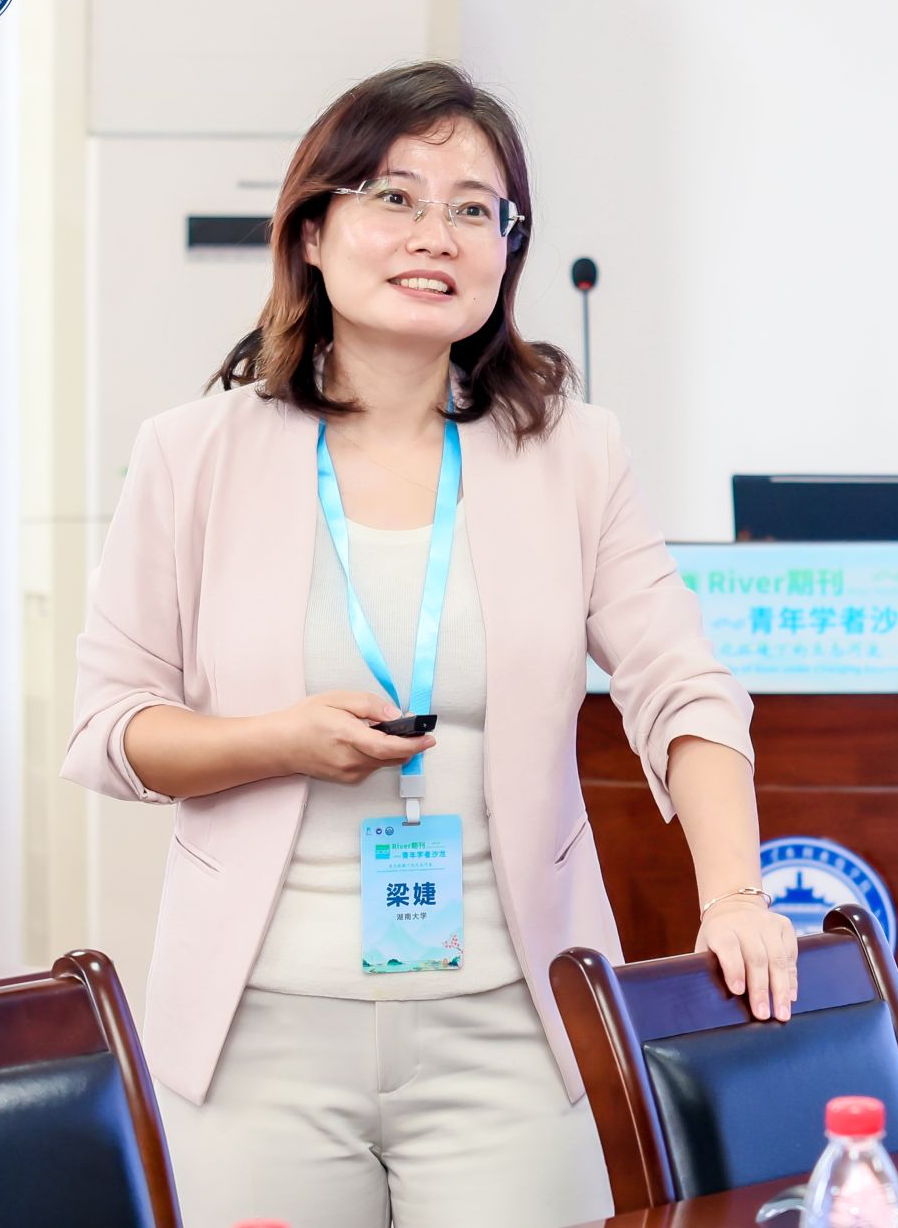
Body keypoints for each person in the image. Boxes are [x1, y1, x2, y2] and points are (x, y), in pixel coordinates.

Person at [60, 60, 793, 1228]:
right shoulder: (192, 453)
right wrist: (277, 740)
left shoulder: (572, 453)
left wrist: (737, 893)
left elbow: (683, 685)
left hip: (514, 1027)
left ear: (507, 248)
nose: (434, 233)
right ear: (311, 231)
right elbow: (109, 729)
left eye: (473, 208)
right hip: (257, 1030)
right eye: (393, 196)